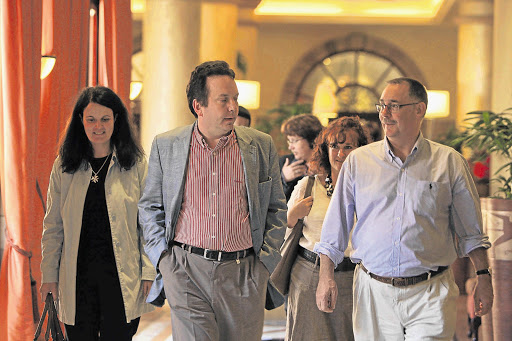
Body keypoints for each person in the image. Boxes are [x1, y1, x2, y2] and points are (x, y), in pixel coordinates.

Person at [315, 77, 494, 340]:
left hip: (431, 292)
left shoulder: (449, 162)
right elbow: (335, 227)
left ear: (419, 109)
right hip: (373, 293)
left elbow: (471, 231)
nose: (384, 114)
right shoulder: (358, 161)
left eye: (394, 106)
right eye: (382, 105)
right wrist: (325, 276)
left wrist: (483, 275)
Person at [138, 60, 287, 341]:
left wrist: (264, 263)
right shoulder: (166, 145)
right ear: (199, 106)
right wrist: (164, 260)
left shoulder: (261, 145)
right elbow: (150, 206)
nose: (233, 107)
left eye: (235, 99)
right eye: (223, 100)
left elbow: (277, 209)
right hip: (186, 270)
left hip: (245, 274)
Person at [40, 86, 154, 340]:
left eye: (105, 119)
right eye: (91, 119)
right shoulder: (64, 166)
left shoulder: (136, 165)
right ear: (81, 120)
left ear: (117, 120)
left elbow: (148, 225)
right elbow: (53, 227)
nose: (98, 126)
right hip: (77, 281)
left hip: (121, 278)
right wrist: (49, 276)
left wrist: (149, 271)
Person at [285, 117, 369, 341]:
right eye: (334, 146)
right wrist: (292, 216)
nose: (340, 154)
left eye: (347, 146)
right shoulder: (308, 185)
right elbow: (282, 230)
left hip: (354, 277)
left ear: (361, 149)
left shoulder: (370, 188)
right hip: (309, 274)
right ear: (324, 149)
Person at [279, 114, 323, 201]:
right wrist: (284, 179)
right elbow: (271, 202)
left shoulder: (328, 164)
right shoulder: (284, 163)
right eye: (289, 141)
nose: (290, 147)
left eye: (294, 141)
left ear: (312, 139)